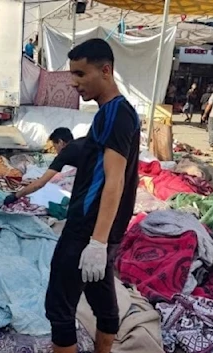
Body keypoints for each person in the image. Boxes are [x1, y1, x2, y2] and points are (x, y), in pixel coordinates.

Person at [45, 39, 140, 353]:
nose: (74, 83)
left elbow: (115, 181)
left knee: (59, 307)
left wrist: (97, 243)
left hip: (87, 229)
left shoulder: (115, 114)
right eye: (73, 74)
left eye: (81, 74)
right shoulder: (115, 114)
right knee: (102, 301)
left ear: (106, 70)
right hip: (103, 229)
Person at [4, 128, 83, 205]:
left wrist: (16, 196)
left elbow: (40, 184)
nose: (56, 151)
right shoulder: (82, 142)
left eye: (55, 147)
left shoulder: (65, 153)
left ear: (60, 142)